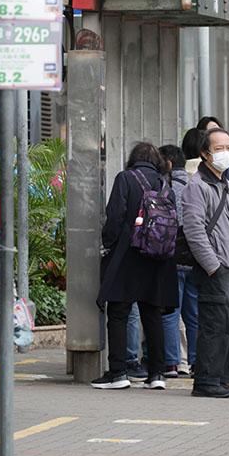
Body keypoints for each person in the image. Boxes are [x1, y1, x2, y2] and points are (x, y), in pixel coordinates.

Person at [91, 142, 179, 391]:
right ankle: (157, 374)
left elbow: (115, 215)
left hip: (128, 255)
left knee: (119, 312)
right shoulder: (164, 185)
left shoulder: (125, 178)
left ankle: (118, 373)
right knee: (152, 314)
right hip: (158, 258)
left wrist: (108, 244)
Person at [180, 127, 229, 398]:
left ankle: (222, 379)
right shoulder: (196, 186)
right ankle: (207, 382)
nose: (225, 153)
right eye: (219, 148)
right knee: (214, 327)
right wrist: (213, 265)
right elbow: (194, 231)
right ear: (204, 154)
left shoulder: (226, 183)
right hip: (217, 269)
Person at [159, 144, 198, 378]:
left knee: (170, 312)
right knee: (194, 314)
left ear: (169, 164)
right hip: (194, 258)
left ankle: (172, 363)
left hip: (171, 259)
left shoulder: (165, 187)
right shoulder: (196, 185)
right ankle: (195, 361)